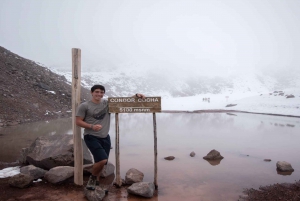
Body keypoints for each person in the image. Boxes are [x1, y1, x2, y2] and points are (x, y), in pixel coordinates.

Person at [76, 84, 145, 191]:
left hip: (105, 137)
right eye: (97, 92)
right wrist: (92, 126)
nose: (99, 94)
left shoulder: (107, 103)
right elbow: (78, 121)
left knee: (101, 161)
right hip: (91, 136)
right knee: (102, 160)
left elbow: (123, 101)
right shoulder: (84, 106)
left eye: (101, 92)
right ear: (92, 92)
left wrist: (135, 95)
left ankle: (96, 181)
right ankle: (92, 178)